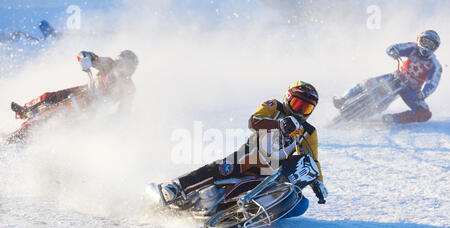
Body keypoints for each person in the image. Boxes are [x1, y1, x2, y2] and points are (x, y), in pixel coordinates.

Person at [160, 81, 328, 205]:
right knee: (222, 169)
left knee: (288, 195)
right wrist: (279, 124)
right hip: (249, 156)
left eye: (305, 108)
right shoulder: (274, 107)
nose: (299, 111)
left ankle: (233, 211)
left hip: (272, 170)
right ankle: (177, 187)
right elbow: (254, 122)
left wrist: (317, 182)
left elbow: (311, 160)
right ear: (288, 98)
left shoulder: (309, 132)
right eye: (297, 104)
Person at [333, 30, 442, 125]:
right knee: (367, 82)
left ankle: (394, 119)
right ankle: (343, 99)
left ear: (435, 48)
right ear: (419, 40)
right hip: (396, 77)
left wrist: (423, 94)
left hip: (411, 90)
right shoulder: (412, 47)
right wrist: (393, 51)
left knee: (425, 113)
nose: (426, 47)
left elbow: (432, 83)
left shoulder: (435, 65)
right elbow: (395, 47)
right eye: (425, 41)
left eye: (430, 44)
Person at [11, 50, 139, 119]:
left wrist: (116, 120)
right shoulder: (108, 63)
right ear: (117, 62)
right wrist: (85, 58)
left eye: (128, 68)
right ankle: (25, 110)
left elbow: (124, 111)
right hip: (85, 91)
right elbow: (86, 54)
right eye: (122, 65)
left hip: (96, 107)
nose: (123, 70)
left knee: (75, 124)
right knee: (49, 97)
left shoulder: (129, 88)